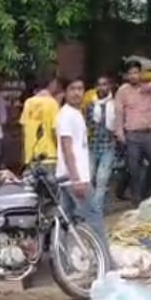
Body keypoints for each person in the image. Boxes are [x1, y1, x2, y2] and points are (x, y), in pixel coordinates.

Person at [57, 79, 109, 249]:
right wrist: (77, 179)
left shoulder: (76, 113)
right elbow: (67, 149)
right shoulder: (65, 116)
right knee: (94, 217)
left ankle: (66, 262)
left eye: (80, 88)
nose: (77, 93)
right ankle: (107, 263)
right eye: (72, 89)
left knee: (67, 221)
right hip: (75, 178)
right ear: (64, 92)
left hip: (68, 178)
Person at [114, 61, 151, 206]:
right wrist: (119, 132)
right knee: (134, 168)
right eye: (130, 73)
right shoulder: (122, 91)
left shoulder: (149, 88)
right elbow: (119, 113)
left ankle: (146, 192)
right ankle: (136, 200)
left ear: (141, 73)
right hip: (131, 134)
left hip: (148, 133)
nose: (133, 76)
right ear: (126, 75)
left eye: (136, 72)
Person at [85, 74, 118, 211]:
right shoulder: (91, 105)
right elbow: (87, 124)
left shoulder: (114, 105)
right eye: (100, 84)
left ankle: (96, 209)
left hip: (108, 146)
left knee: (102, 178)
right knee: (89, 178)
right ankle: (91, 205)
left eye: (105, 84)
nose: (102, 87)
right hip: (92, 146)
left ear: (109, 86)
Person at [19, 77, 62, 171]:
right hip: (48, 155)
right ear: (52, 83)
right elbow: (54, 130)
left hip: (31, 157)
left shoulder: (28, 102)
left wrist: (24, 154)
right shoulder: (53, 103)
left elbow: (24, 130)